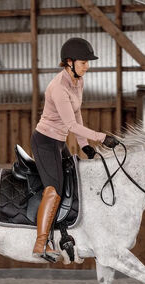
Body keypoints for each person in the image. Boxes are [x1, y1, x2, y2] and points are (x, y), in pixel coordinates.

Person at [31, 37, 121, 262]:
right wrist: (102, 138)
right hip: (44, 142)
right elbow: (71, 125)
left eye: (87, 62)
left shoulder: (78, 81)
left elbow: (77, 114)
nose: (87, 66)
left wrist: (85, 146)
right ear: (69, 62)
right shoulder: (58, 88)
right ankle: (41, 243)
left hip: (58, 142)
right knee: (54, 189)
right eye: (83, 62)